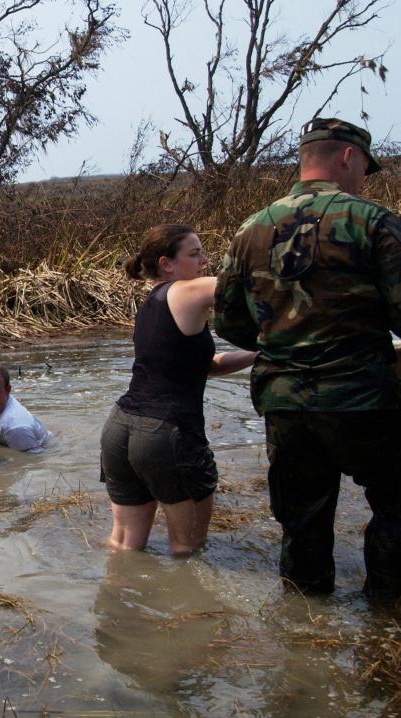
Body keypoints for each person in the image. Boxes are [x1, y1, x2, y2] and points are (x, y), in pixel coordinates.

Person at [214, 117, 401, 598]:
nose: (364, 178)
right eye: (364, 167)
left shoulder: (250, 229)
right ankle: (386, 618)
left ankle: (301, 633)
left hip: (285, 405)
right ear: (347, 157)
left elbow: (230, 324)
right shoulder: (373, 221)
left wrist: (282, 335)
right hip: (363, 399)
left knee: (301, 524)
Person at [101, 224, 256, 555]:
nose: (204, 261)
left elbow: (206, 366)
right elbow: (239, 285)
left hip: (121, 428)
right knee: (188, 551)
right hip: (165, 433)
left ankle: (118, 602)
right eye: (194, 253)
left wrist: (259, 355)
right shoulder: (186, 291)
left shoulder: (153, 302)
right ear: (166, 263)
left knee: (124, 546)